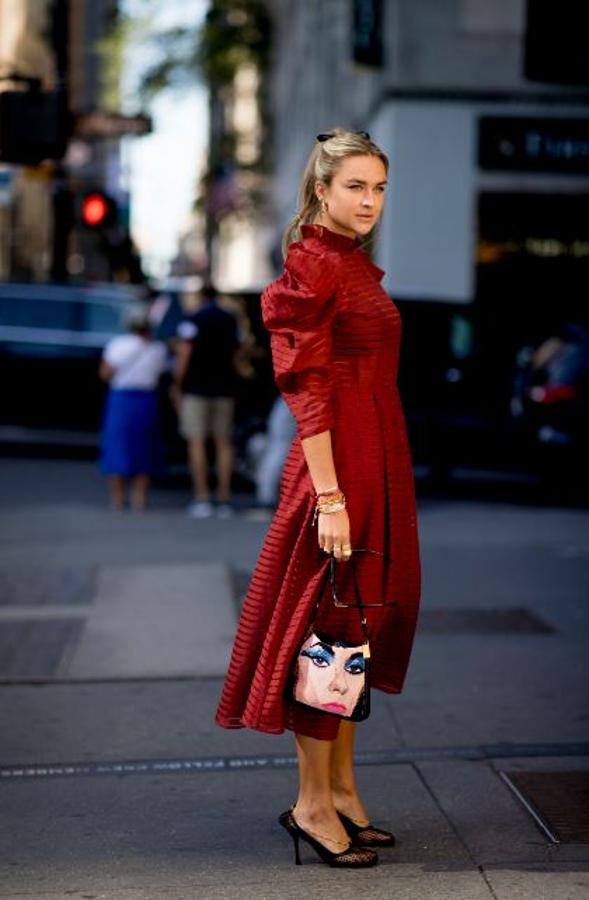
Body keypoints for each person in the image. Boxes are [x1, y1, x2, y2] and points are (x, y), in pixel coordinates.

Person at [215, 128, 421, 868]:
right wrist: (329, 498)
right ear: (322, 191)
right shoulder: (313, 265)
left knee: (354, 630)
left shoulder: (350, 264)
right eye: (355, 187)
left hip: (376, 460)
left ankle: (339, 789)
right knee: (328, 633)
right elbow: (307, 390)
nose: (368, 201)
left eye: (378, 188)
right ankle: (309, 801)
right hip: (338, 470)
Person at [173, 283, 240, 518]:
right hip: (224, 387)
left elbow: (184, 354)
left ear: (200, 297)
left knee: (197, 442)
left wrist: (176, 385)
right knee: (223, 443)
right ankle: (224, 498)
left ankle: (202, 497)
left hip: (196, 388)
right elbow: (235, 354)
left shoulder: (193, 320)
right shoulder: (230, 319)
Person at [99, 307, 167, 511]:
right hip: (146, 400)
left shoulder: (117, 345)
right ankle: (140, 498)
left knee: (117, 446)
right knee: (145, 447)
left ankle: (118, 498)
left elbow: (105, 374)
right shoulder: (157, 348)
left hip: (121, 399)